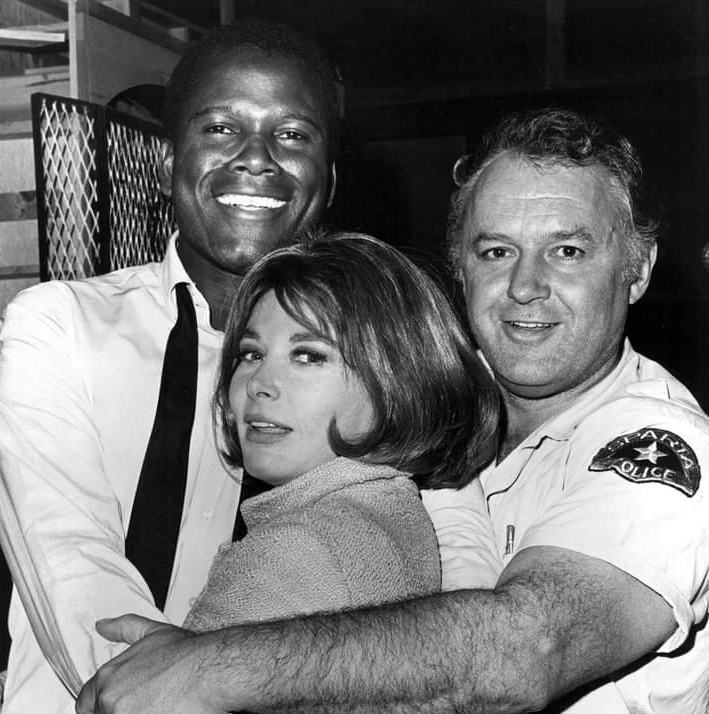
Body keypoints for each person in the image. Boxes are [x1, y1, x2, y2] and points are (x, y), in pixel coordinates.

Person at [77, 107, 709, 714]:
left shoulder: (657, 442)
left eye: (567, 251)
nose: (525, 285)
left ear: (637, 269)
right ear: (459, 266)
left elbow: (527, 649)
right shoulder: (432, 400)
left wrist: (206, 668)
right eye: (496, 252)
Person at [0, 18, 341, 714]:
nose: (256, 157)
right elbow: (71, 570)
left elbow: (443, 557)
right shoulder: (57, 329)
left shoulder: (376, 363)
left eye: (293, 134)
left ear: (329, 180)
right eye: (219, 128)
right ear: (163, 162)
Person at [182, 232, 499, 631]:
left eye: (308, 356)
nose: (260, 381)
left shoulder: (296, 550)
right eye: (252, 353)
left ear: (395, 382)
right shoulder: (391, 515)